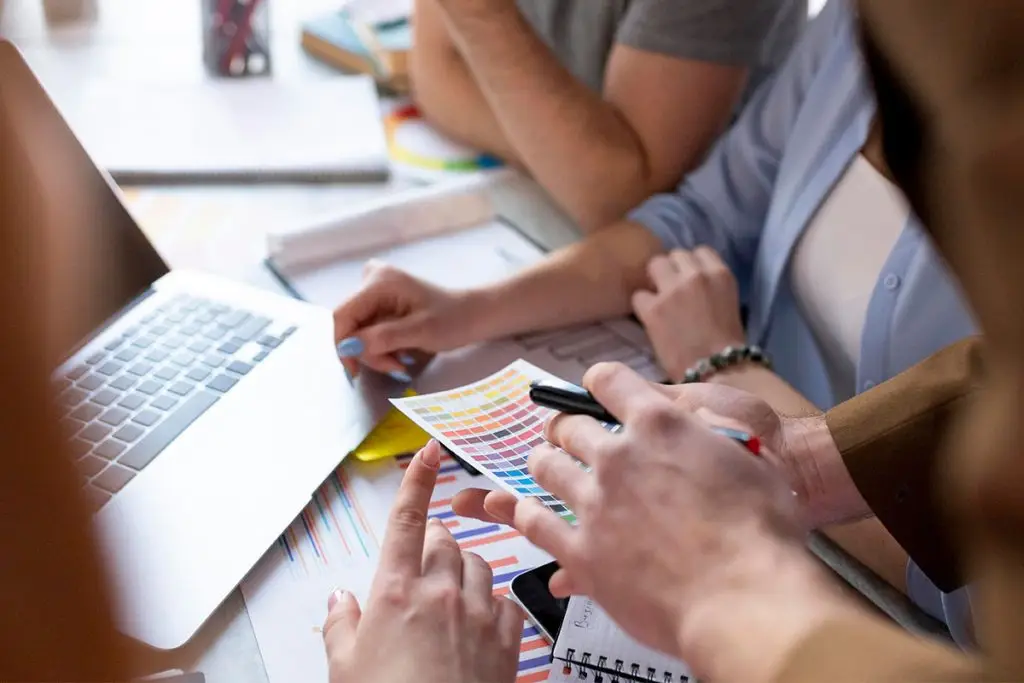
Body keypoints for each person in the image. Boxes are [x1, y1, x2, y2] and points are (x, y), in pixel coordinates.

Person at [335, 0, 976, 633]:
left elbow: (973, 570)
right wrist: (467, 308)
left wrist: (730, 367)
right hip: (748, 487)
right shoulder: (850, 27)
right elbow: (695, 219)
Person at [411, 0, 807, 231]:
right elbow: (435, 71)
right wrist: (565, 164)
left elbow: (620, 201)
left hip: (692, 281)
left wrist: (481, 13)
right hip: (549, 229)